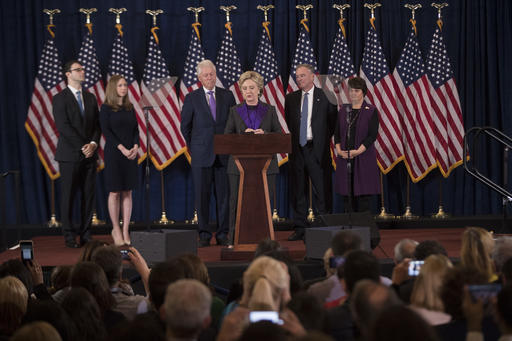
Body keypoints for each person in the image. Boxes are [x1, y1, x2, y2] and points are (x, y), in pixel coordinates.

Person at [180, 60, 236, 247]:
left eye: (212, 74)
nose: (210, 77)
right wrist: (195, 146)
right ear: (199, 78)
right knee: (202, 197)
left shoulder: (227, 96)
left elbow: (233, 123)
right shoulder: (191, 98)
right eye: (206, 75)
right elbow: (185, 127)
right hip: (201, 156)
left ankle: (223, 234)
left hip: (224, 155)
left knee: (224, 198)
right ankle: (204, 234)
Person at [224, 71, 281, 245]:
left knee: (265, 203)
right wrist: (242, 135)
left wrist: (265, 134)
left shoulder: (269, 110)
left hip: (266, 166)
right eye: (244, 88)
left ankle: (266, 240)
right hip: (238, 167)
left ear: (259, 89)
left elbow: (279, 135)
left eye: (251, 88)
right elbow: (227, 137)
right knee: (236, 202)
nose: (248, 91)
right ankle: (233, 238)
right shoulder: (234, 111)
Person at [285, 64, 337, 241]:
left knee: (321, 190)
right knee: (298, 190)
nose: (299, 79)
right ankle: (300, 227)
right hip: (297, 150)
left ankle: (322, 226)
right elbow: (290, 122)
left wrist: (320, 140)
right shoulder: (290, 98)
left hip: (317, 149)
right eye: (297, 76)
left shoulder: (327, 96)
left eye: (302, 76)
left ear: (313, 76)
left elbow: (332, 123)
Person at [53, 60, 100, 248]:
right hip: (70, 155)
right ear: (68, 74)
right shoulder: (60, 98)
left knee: (88, 195)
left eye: (83, 69)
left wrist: (94, 144)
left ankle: (86, 234)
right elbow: (63, 127)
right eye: (78, 70)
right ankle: (69, 235)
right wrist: (84, 145)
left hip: (90, 155)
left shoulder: (90, 98)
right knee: (69, 196)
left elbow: (97, 125)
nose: (83, 72)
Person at [99, 75, 139, 246]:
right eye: (120, 85)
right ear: (113, 88)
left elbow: (136, 130)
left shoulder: (130, 107)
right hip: (115, 154)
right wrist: (122, 148)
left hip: (130, 154)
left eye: (125, 85)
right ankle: (115, 228)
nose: (124, 88)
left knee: (127, 191)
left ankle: (125, 230)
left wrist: (135, 146)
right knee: (115, 192)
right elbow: (106, 131)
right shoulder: (106, 108)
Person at [334, 76, 380, 213]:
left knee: (363, 198)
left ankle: (364, 230)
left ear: (363, 92)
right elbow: (337, 134)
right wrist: (339, 151)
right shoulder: (343, 111)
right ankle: (350, 231)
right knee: (347, 197)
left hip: (363, 158)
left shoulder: (371, 110)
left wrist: (357, 151)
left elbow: (372, 135)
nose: (353, 93)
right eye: (351, 90)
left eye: (357, 91)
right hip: (345, 158)